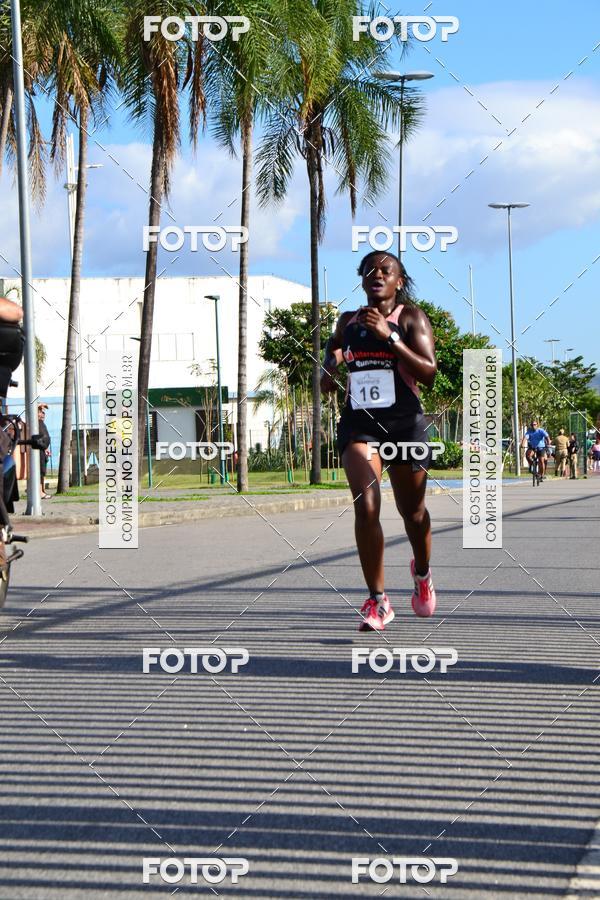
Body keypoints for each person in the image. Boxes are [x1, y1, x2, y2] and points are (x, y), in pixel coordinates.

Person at [321, 250, 437, 631]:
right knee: (366, 506)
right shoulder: (348, 321)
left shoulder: (411, 318)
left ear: (398, 281)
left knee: (413, 513)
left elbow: (429, 372)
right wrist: (331, 363)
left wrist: (391, 338)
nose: (377, 274)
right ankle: (378, 600)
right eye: (370, 270)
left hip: (405, 427)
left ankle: (421, 574)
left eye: (386, 270)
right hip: (361, 427)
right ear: (362, 279)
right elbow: (332, 354)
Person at [37, 405, 51, 498]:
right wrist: (39, 405)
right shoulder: (35, 422)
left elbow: (43, 436)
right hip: (38, 449)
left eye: (43, 412)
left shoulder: (41, 423)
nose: (43, 414)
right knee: (39, 471)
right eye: (41, 412)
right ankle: (39, 492)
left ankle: (42, 490)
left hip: (43, 449)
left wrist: (45, 448)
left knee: (42, 471)